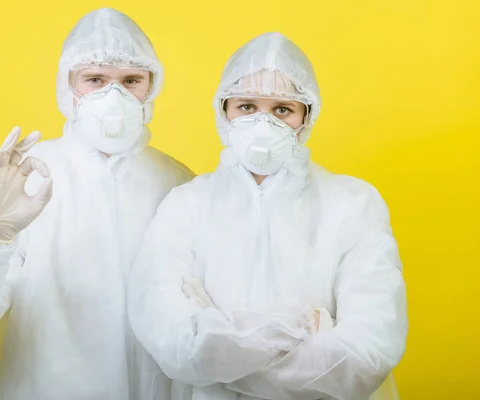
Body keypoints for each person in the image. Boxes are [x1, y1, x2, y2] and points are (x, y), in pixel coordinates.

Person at [0, 8, 193, 400]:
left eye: (131, 80)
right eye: (95, 80)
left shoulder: (179, 183)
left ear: (152, 86)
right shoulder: (21, 180)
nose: (114, 95)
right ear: (68, 87)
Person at [128, 32, 407, 400]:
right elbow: (168, 338)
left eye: (282, 109)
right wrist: (306, 340)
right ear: (223, 111)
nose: (263, 124)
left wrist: (221, 346)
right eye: (246, 107)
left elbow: (366, 354)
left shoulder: (354, 204)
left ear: (306, 116)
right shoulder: (187, 204)